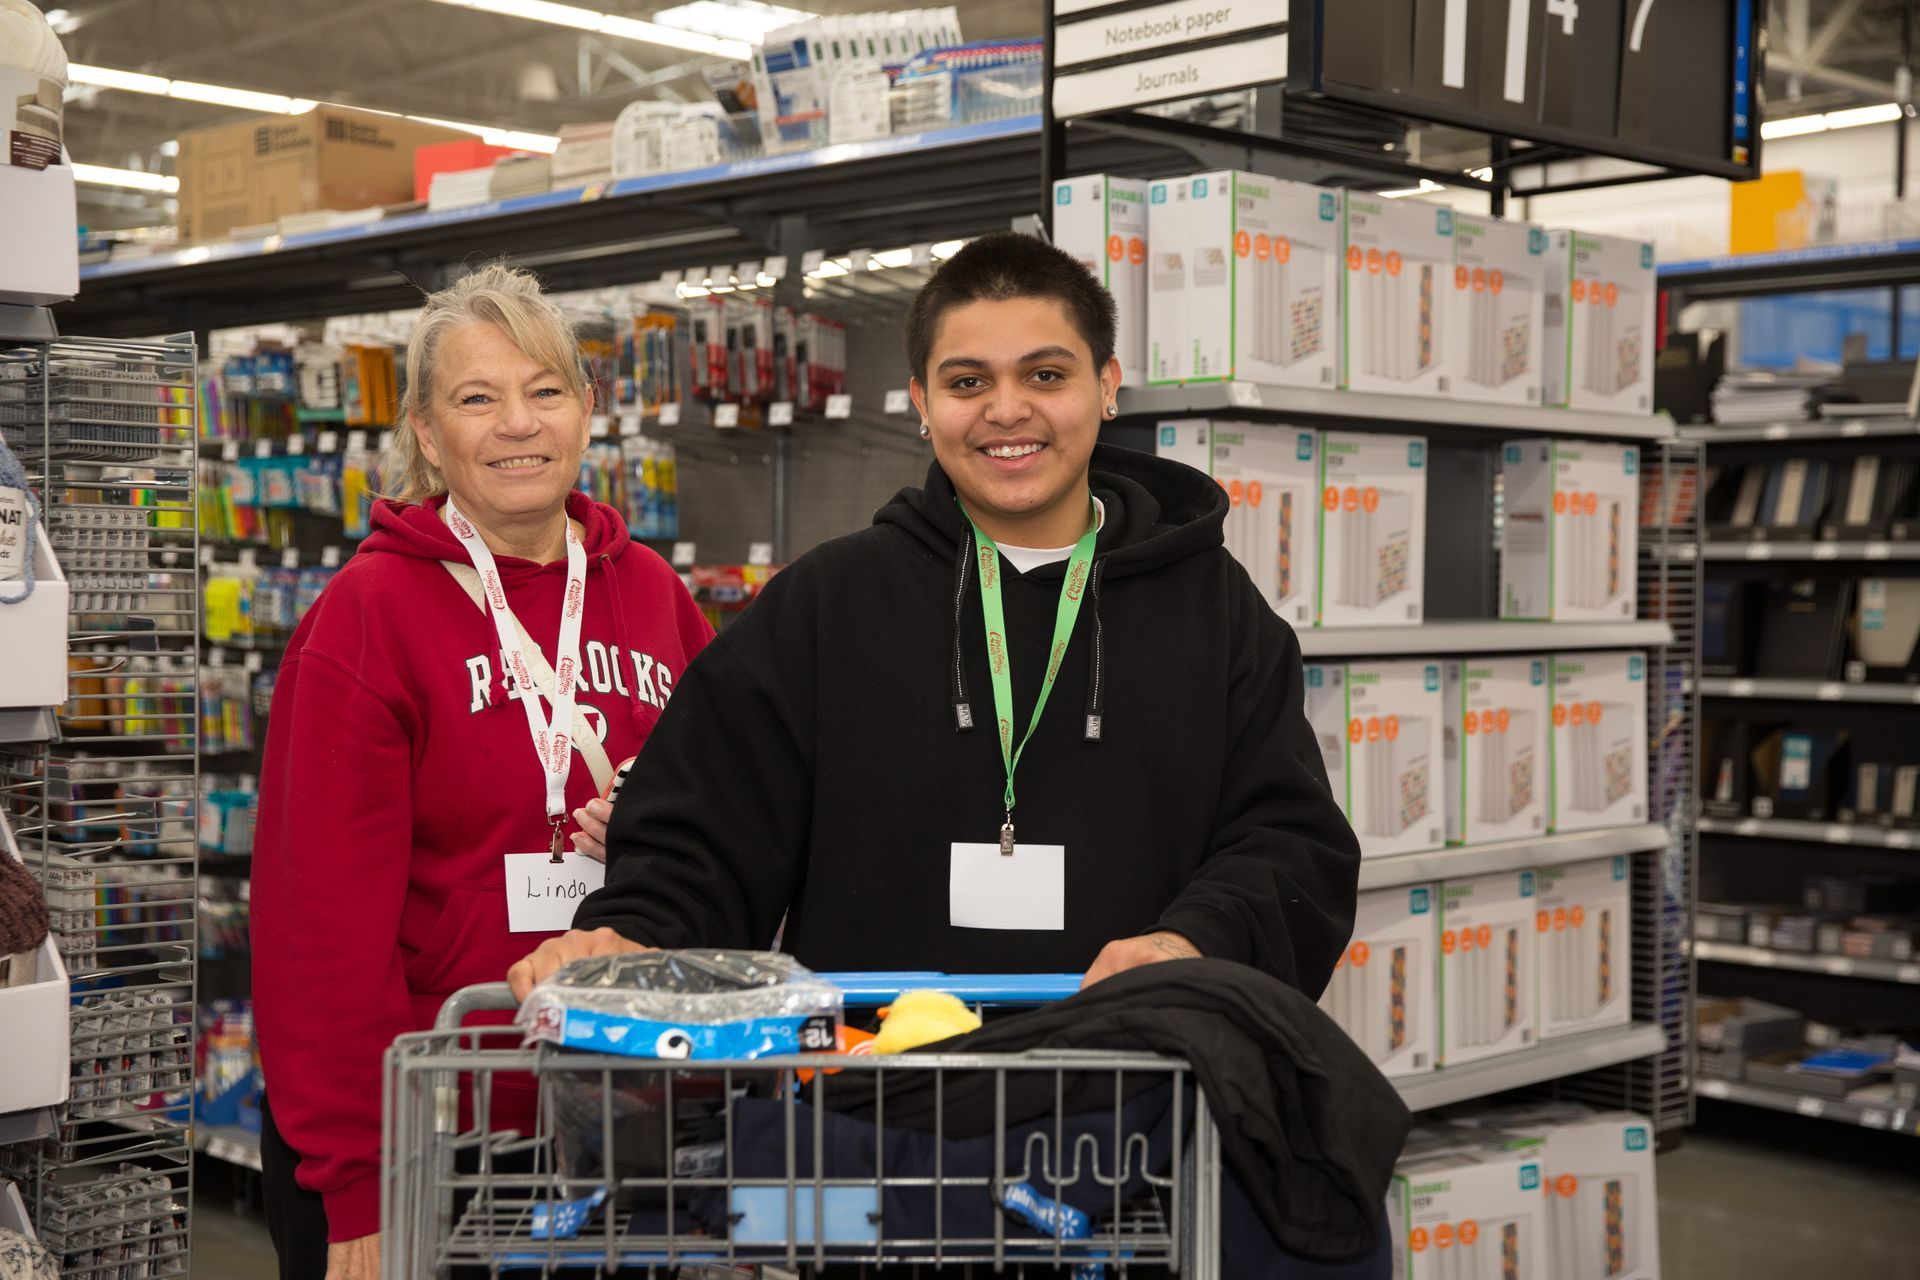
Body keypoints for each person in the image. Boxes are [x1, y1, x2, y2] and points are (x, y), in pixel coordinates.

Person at [510, 230, 1359, 1001]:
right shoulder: (825, 607)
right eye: (967, 382)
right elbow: (704, 831)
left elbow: (1289, 843)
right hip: (871, 1106)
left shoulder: (1214, 609)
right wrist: (634, 937)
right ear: (921, 402)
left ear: (1106, 388)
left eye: (1046, 375)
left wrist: (1191, 941)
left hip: (1138, 1095)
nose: (1006, 409)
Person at [251, 264, 713, 1280]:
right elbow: (314, 930)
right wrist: (358, 1187)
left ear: (587, 411)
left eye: (545, 390)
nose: (518, 423)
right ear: (426, 431)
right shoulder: (366, 619)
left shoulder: (655, 596)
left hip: (626, 1118)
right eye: (477, 397)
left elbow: (726, 834)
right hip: (437, 1134)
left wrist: (658, 819)